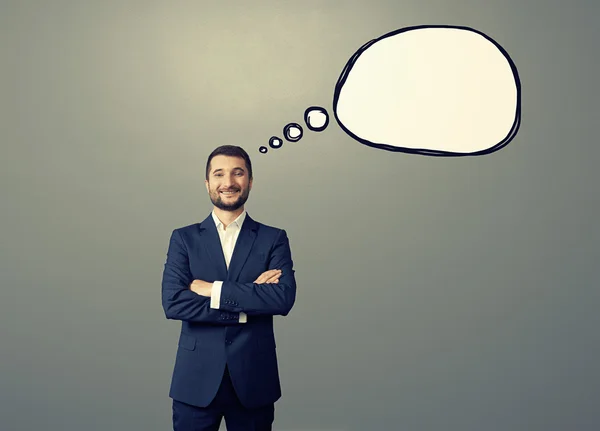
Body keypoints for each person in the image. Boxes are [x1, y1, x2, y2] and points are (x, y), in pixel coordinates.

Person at [161, 145, 297, 431]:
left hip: (254, 380)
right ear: (207, 183)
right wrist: (248, 301)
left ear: (250, 180)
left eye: (238, 173)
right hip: (194, 382)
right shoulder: (184, 239)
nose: (229, 183)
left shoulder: (273, 238)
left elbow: (282, 298)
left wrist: (212, 289)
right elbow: (174, 302)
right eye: (219, 174)